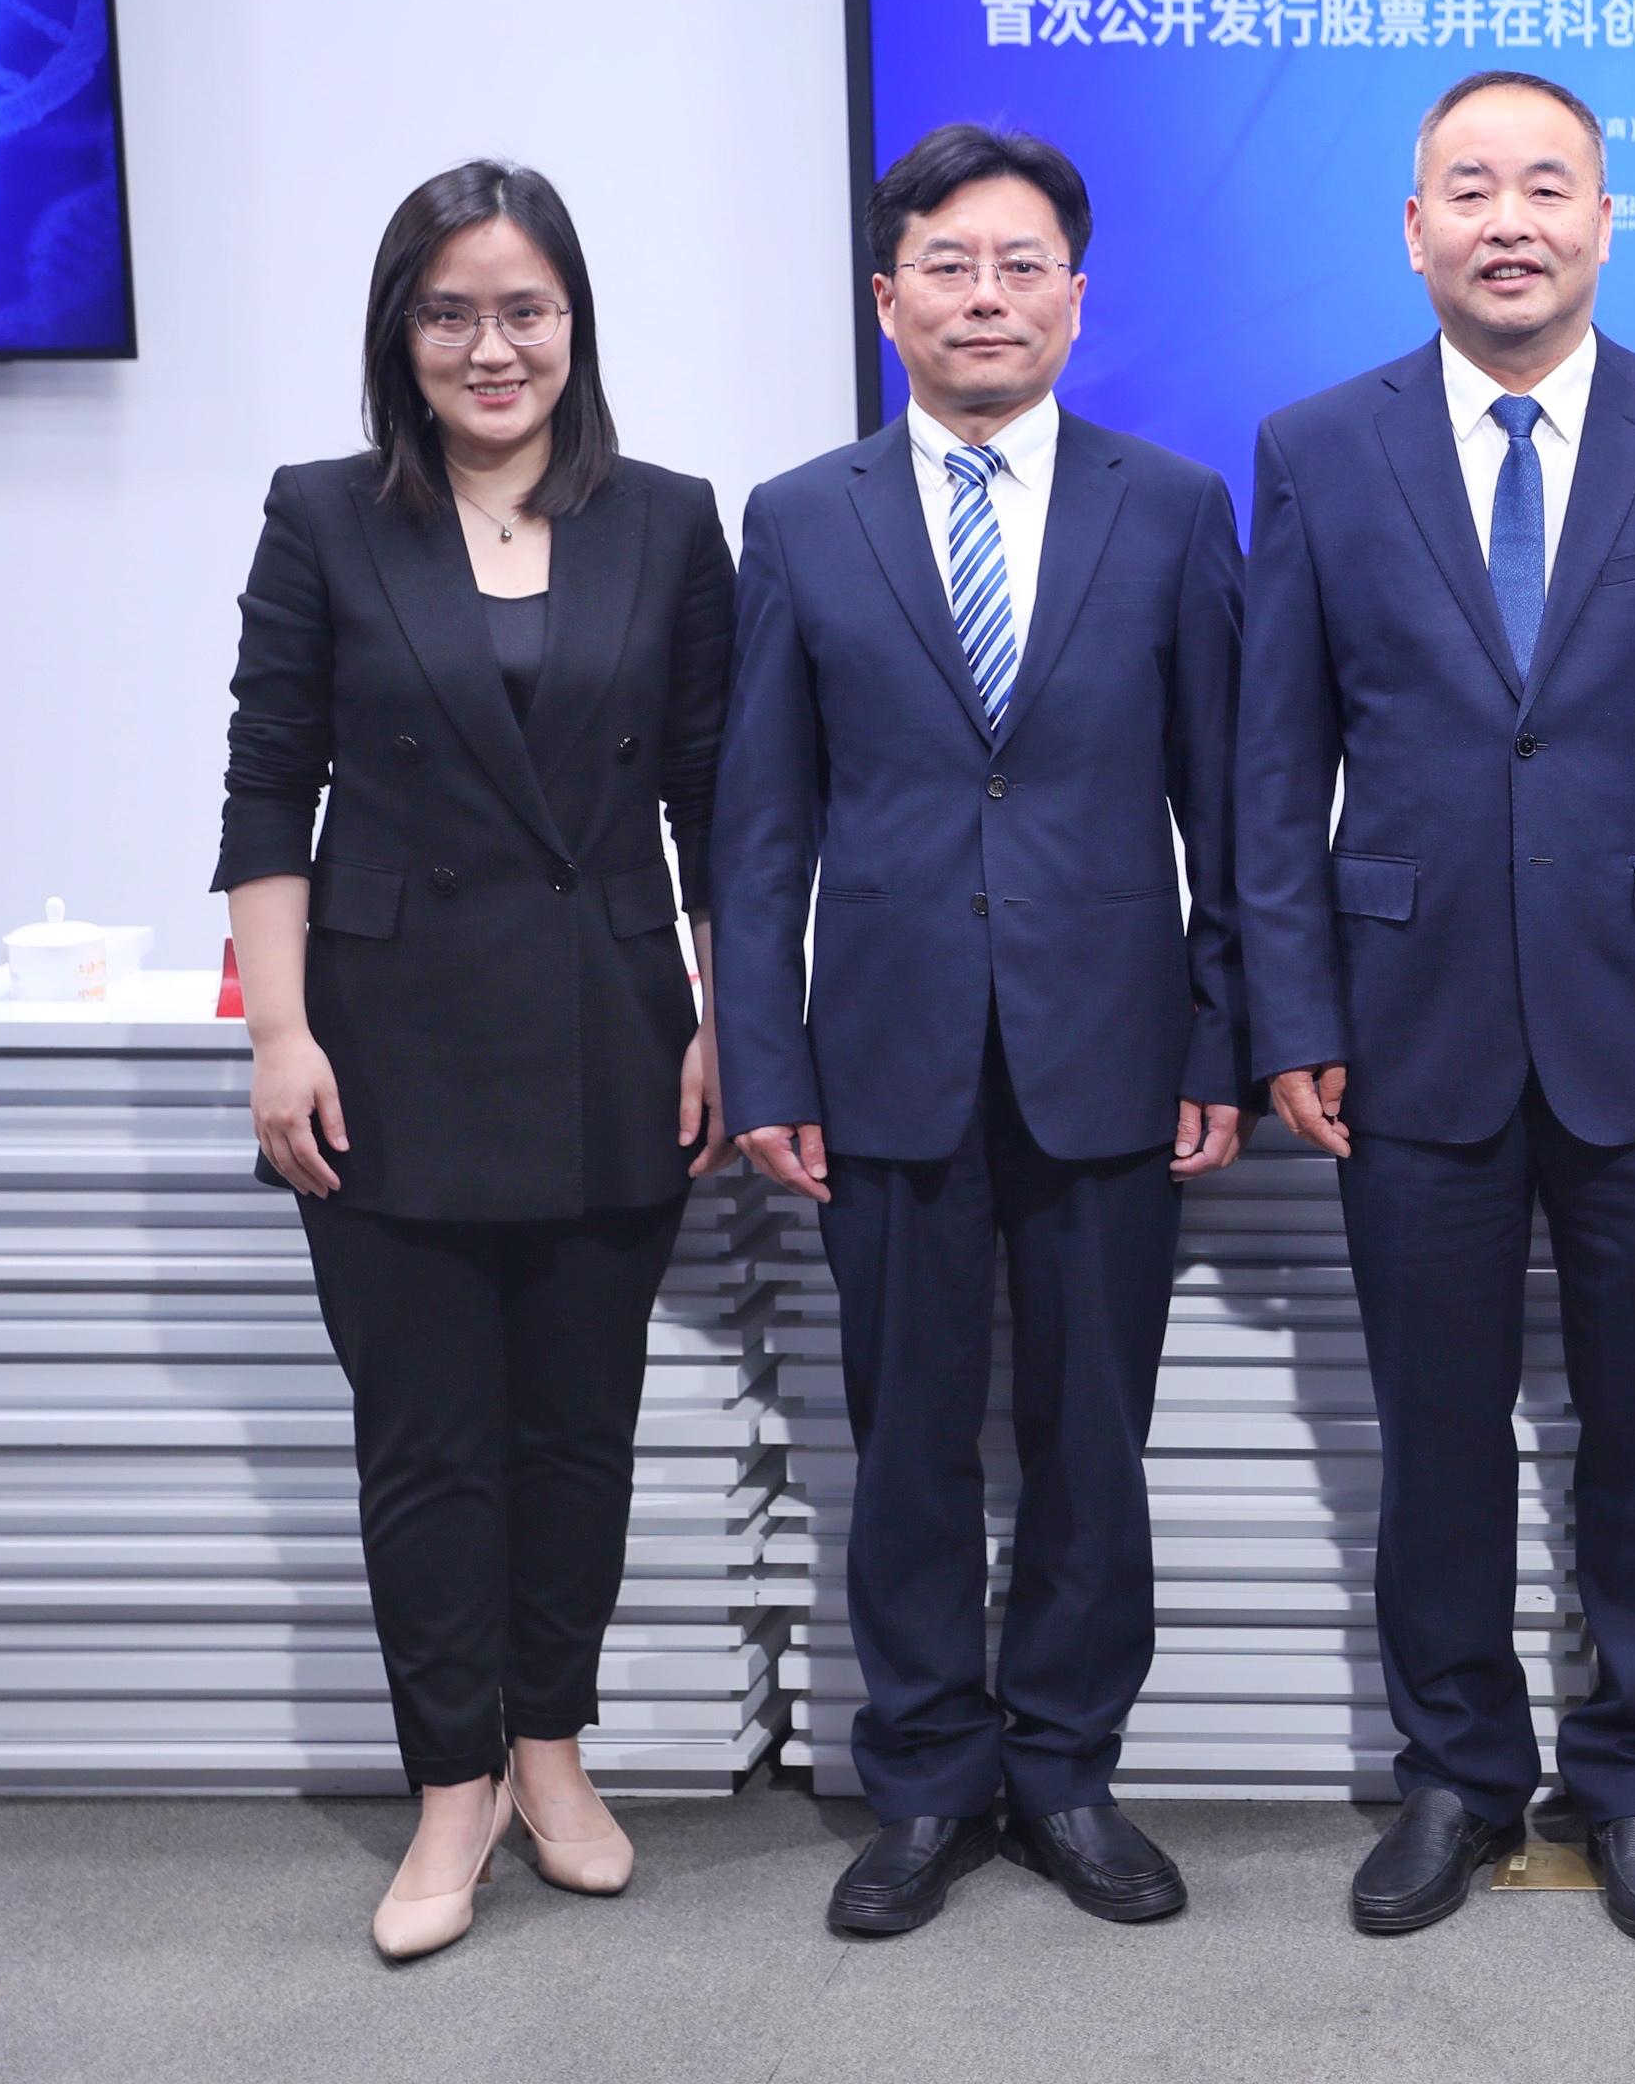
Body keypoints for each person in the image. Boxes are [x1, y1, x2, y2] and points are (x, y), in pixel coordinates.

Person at [1239, 69, 1635, 1945]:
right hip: (1404, 1027)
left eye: (1547, 185)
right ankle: (1460, 1775)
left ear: (1606, 220)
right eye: (1470, 188)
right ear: (1413, 228)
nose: (1511, 220)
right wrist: (1292, 1013)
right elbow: (1275, 769)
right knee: (1436, 1434)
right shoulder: (1317, 447)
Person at [712, 124, 1248, 1938]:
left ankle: (1071, 1771)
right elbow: (761, 825)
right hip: (885, 1057)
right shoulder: (803, 516)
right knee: (910, 1444)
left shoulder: (1173, 507)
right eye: (949, 264)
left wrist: (1219, 1041)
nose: (988, 296)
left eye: (1024, 265)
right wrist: (767, 1057)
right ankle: (930, 1781)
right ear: (889, 299)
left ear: (1077, 300)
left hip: (1114, 1051)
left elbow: (1229, 810)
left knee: (1095, 1443)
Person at [216, 161, 734, 1959]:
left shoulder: (669, 522)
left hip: (612, 1030)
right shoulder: (324, 513)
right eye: (451, 312)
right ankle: (452, 1785)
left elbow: (715, 801)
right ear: (403, 334)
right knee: (427, 1444)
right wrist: (282, 1031)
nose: (491, 346)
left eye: (525, 309)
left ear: (574, 323)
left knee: (578, 1431)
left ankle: (552, 1753)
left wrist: (731, 1015)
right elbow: (267, 785)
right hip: (388, 1043)